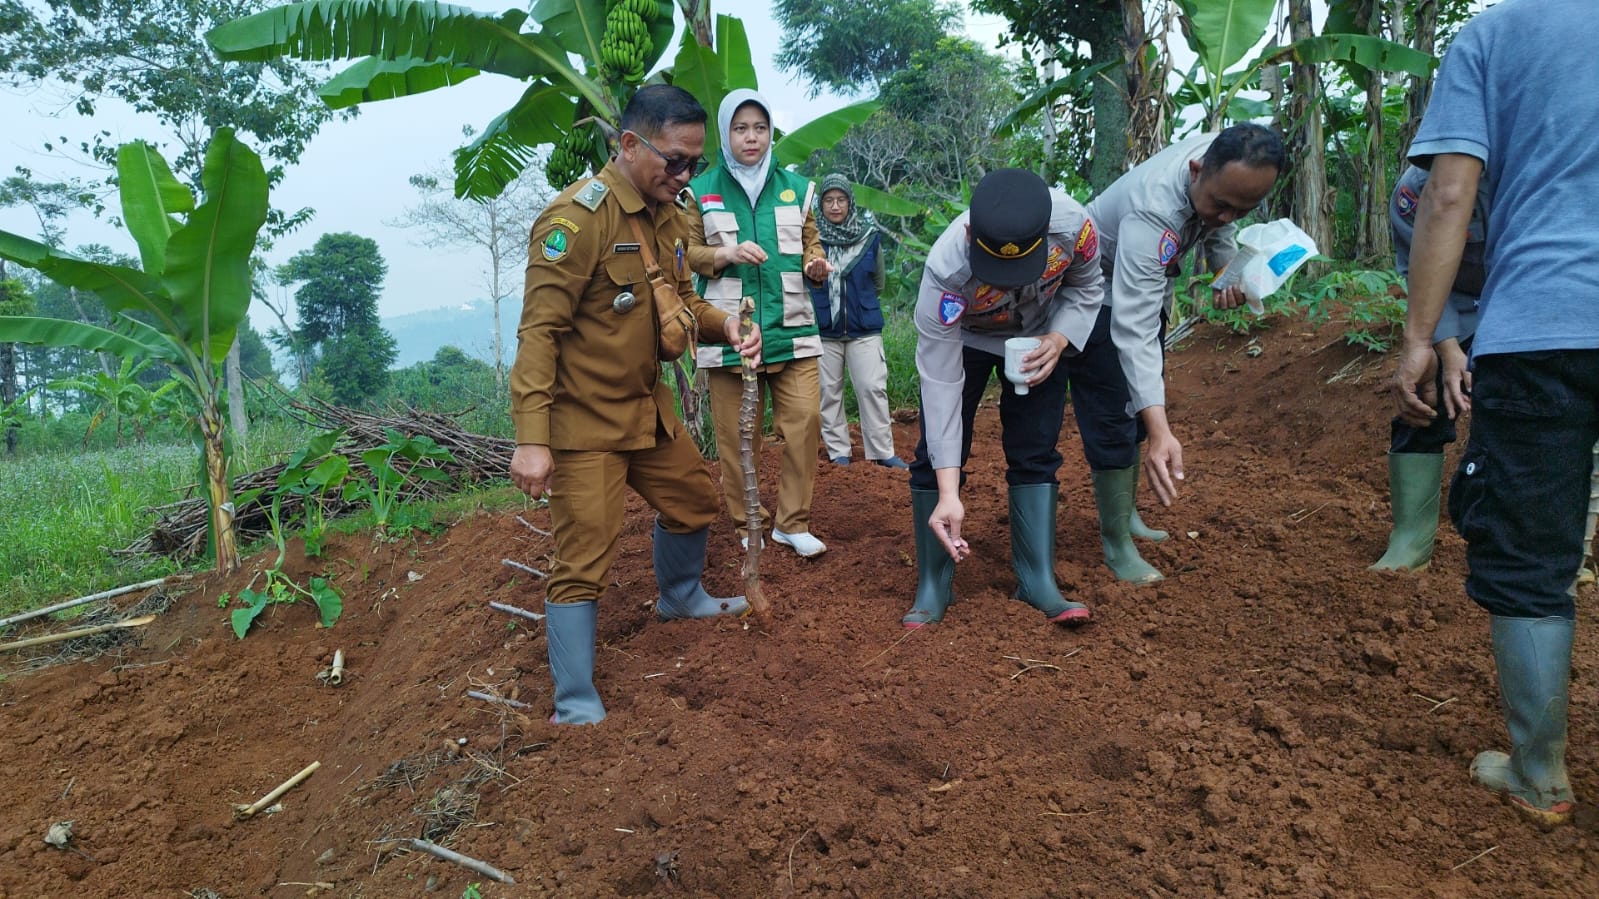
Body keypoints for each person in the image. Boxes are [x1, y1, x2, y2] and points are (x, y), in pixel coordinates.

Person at [1393, 0, 1598, 828]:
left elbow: (1447, 194)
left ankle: (1538, 771)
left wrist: (1420, 337)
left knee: (1529, 550)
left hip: (1540, 325)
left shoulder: (1494, 35)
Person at [508, 85, 761, 726]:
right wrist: (532, 440)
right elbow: (540, 335)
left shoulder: (670, 217)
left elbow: (679, 300)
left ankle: (680, 597)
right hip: (584, 422)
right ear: (629, 144)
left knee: (693, 501)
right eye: (674, 161)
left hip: (647, 410)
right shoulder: (576, 222)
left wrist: (724, 326)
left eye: (693, 165)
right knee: (584, 557)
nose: (683, 176)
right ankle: (574, 700)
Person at [906, 167, 1148, 629]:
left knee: (1036, 446)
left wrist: (1059, 340)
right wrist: (949, 493)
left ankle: (1036, 578)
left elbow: (1087, 286)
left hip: (1041, 333)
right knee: (934, 453)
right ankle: (934, 585)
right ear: (973, 235)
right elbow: (939, 386)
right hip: (969, 338)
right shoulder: (946, 269)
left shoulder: (1075, 228)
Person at [1087, 124, 1287, 577]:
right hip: (1094, 294)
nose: (1227, 216)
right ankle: (1116, 542)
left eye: (1243, 208)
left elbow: (1219, 224)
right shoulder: (1152, 211)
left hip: (1145, 289)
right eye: (1220, 204)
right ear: (1197, 171)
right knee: (1115, 414)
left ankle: (1128, 518)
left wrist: (1225, 272)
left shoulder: (1226, 157)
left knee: (1133, 404)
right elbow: (1131, 329)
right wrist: (1162, 431)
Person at [685, 89, 832, 558]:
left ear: (771, 133)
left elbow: (813, 243)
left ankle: (792, 523)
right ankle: (748, 524)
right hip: (729, 331)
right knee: (736, 438)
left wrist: (815, 264)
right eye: (741, 128)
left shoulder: (797, 187)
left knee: (805, 422)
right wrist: (725, 253)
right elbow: (685, 252)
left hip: (791, 327)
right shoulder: (700, 190)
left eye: (760, 128)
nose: (752, 137)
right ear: (725, 133)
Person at [1370, 164, 1489, 571]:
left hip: (1522, 304)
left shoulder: (1521, 176)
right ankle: (1411, 540)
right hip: (1446, 309)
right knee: (1420, 398)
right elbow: (1418, 271)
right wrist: (1447, 346)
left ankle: (1511, 542)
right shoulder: (1413, 194)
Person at [809, 174, 907, 470]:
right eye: (828, 200)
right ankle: (839, 451)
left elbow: (878, 283)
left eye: (841, 200)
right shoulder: (812, 241)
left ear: (850, 203)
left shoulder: (869, 238)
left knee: (871, 388)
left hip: (864, 328)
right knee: (828, 392)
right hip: (825, 330)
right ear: (821, 204)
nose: (835, 206)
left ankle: (881, 450)